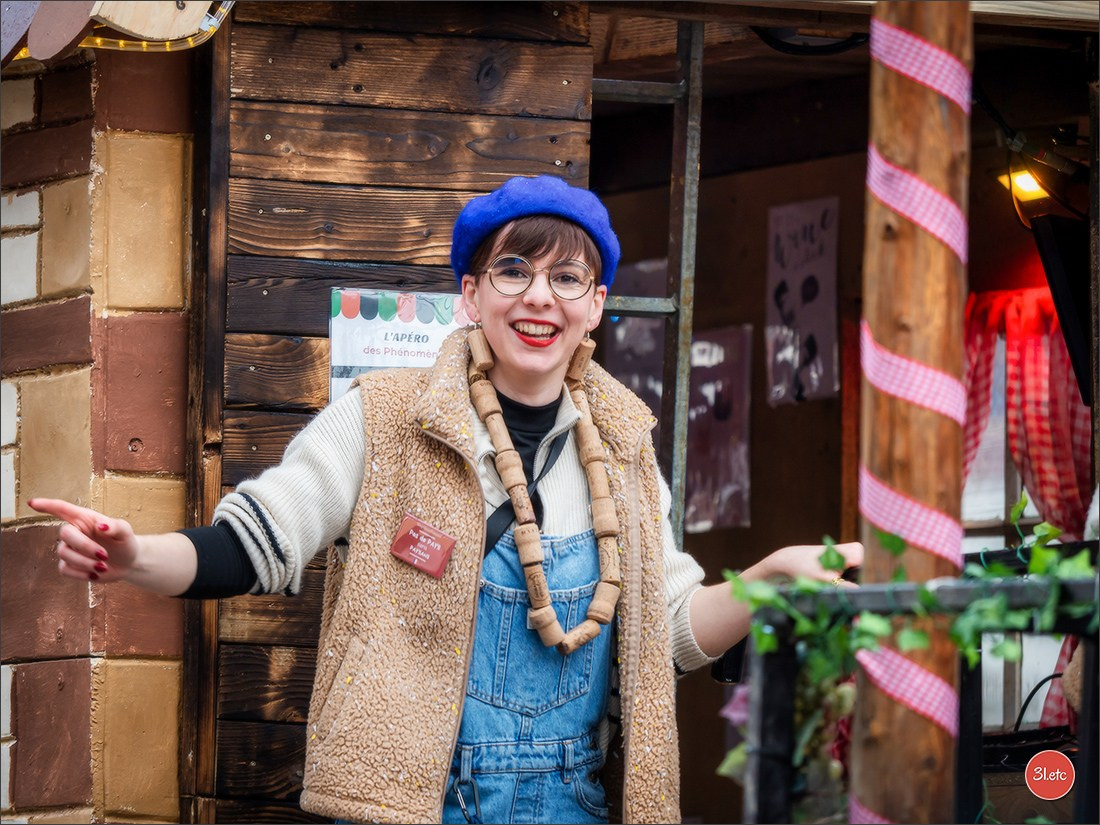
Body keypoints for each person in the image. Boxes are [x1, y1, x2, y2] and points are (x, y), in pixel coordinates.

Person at [30, 175, 861, 825]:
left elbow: (669, 631)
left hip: (574, 804)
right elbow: (255, 542)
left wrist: (771, 578)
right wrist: (135, 556)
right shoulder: (385, 420)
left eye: (567, 277)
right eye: (513, 270)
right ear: (471, 294)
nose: (539, 296)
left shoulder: (626, 451)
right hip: (411, 807)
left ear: (596, 306)